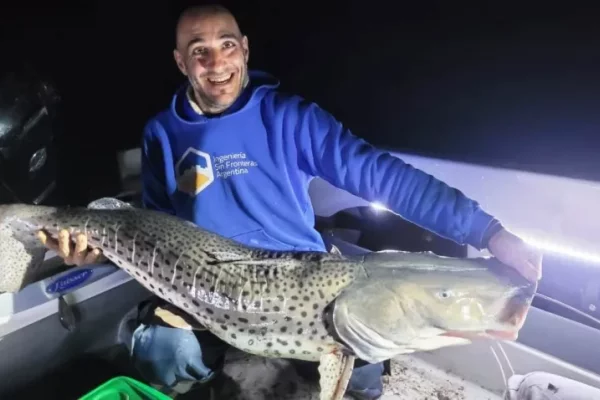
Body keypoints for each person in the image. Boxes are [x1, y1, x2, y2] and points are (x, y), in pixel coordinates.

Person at [38, 4, 543, 399]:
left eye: (227, 45)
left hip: (301, 278)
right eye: (199, 51)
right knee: (161, 351)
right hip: (205, 282)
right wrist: (96, 248)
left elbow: (383, 176)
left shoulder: (290, 118)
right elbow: (155, 224)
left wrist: (488, 232)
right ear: (180, 61)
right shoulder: (160, 134)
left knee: (363, 374)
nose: (216, 63)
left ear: (245, 50)